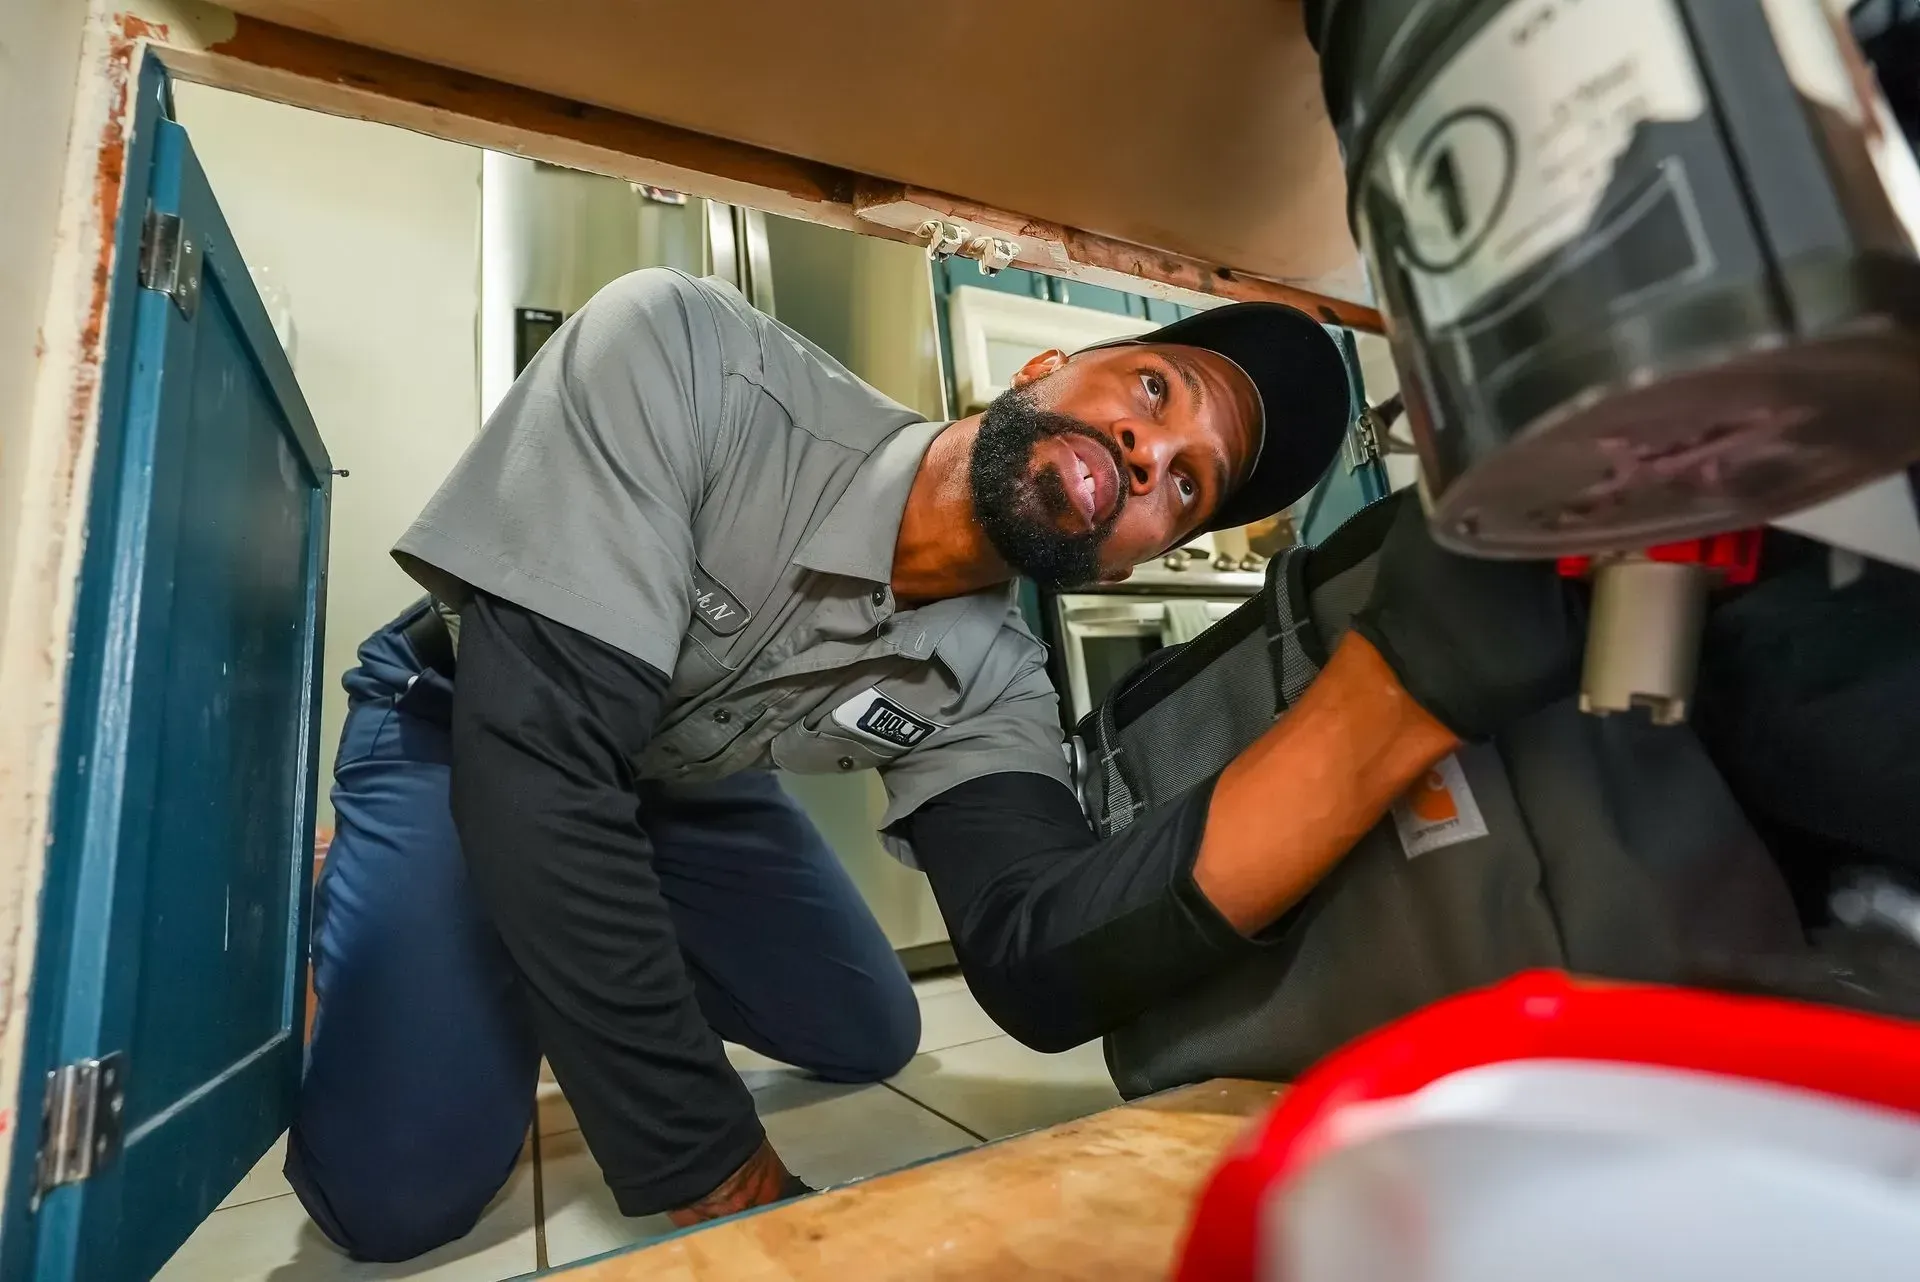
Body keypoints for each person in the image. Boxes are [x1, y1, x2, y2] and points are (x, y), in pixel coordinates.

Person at [286, 267, 1583, 1261]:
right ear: (1058, 359)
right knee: (394, 1199)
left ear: (1133, 557)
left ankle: (553, 910)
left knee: (869, 1025)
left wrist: (1386, 702)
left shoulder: (993, 677)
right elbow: (541, 757)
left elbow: (1031, 944)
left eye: (1185, 491)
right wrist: (731, 1189)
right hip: (470, 719)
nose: (1151, 457)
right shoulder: (680, 352)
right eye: (1154, 393)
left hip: (678, 779)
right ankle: (462, 904)